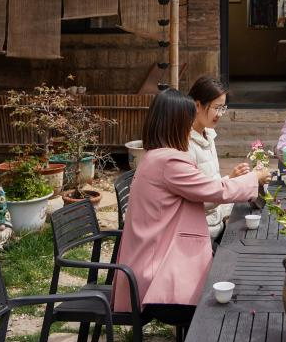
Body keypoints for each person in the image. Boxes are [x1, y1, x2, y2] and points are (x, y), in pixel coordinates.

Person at [112, 90, 270, 318]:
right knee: (229, 298)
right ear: (176, 124)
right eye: (188, 121)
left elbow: (205, 190)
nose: (191, 128)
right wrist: (254, 177)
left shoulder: (154, 156)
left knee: (226, 274)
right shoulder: (169, 161)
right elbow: (216, 190)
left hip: (152, 265)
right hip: (156, 282)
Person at [187, 75, 251, 240]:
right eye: (217, 108)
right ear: (197, 105)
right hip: (201, 233)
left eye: (223, 108)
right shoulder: (186, 144)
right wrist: (235, 183)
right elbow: (199, 199)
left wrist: (232, 179)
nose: (220, 114)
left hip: (216, 224)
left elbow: (210, 186)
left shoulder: (208, 134)